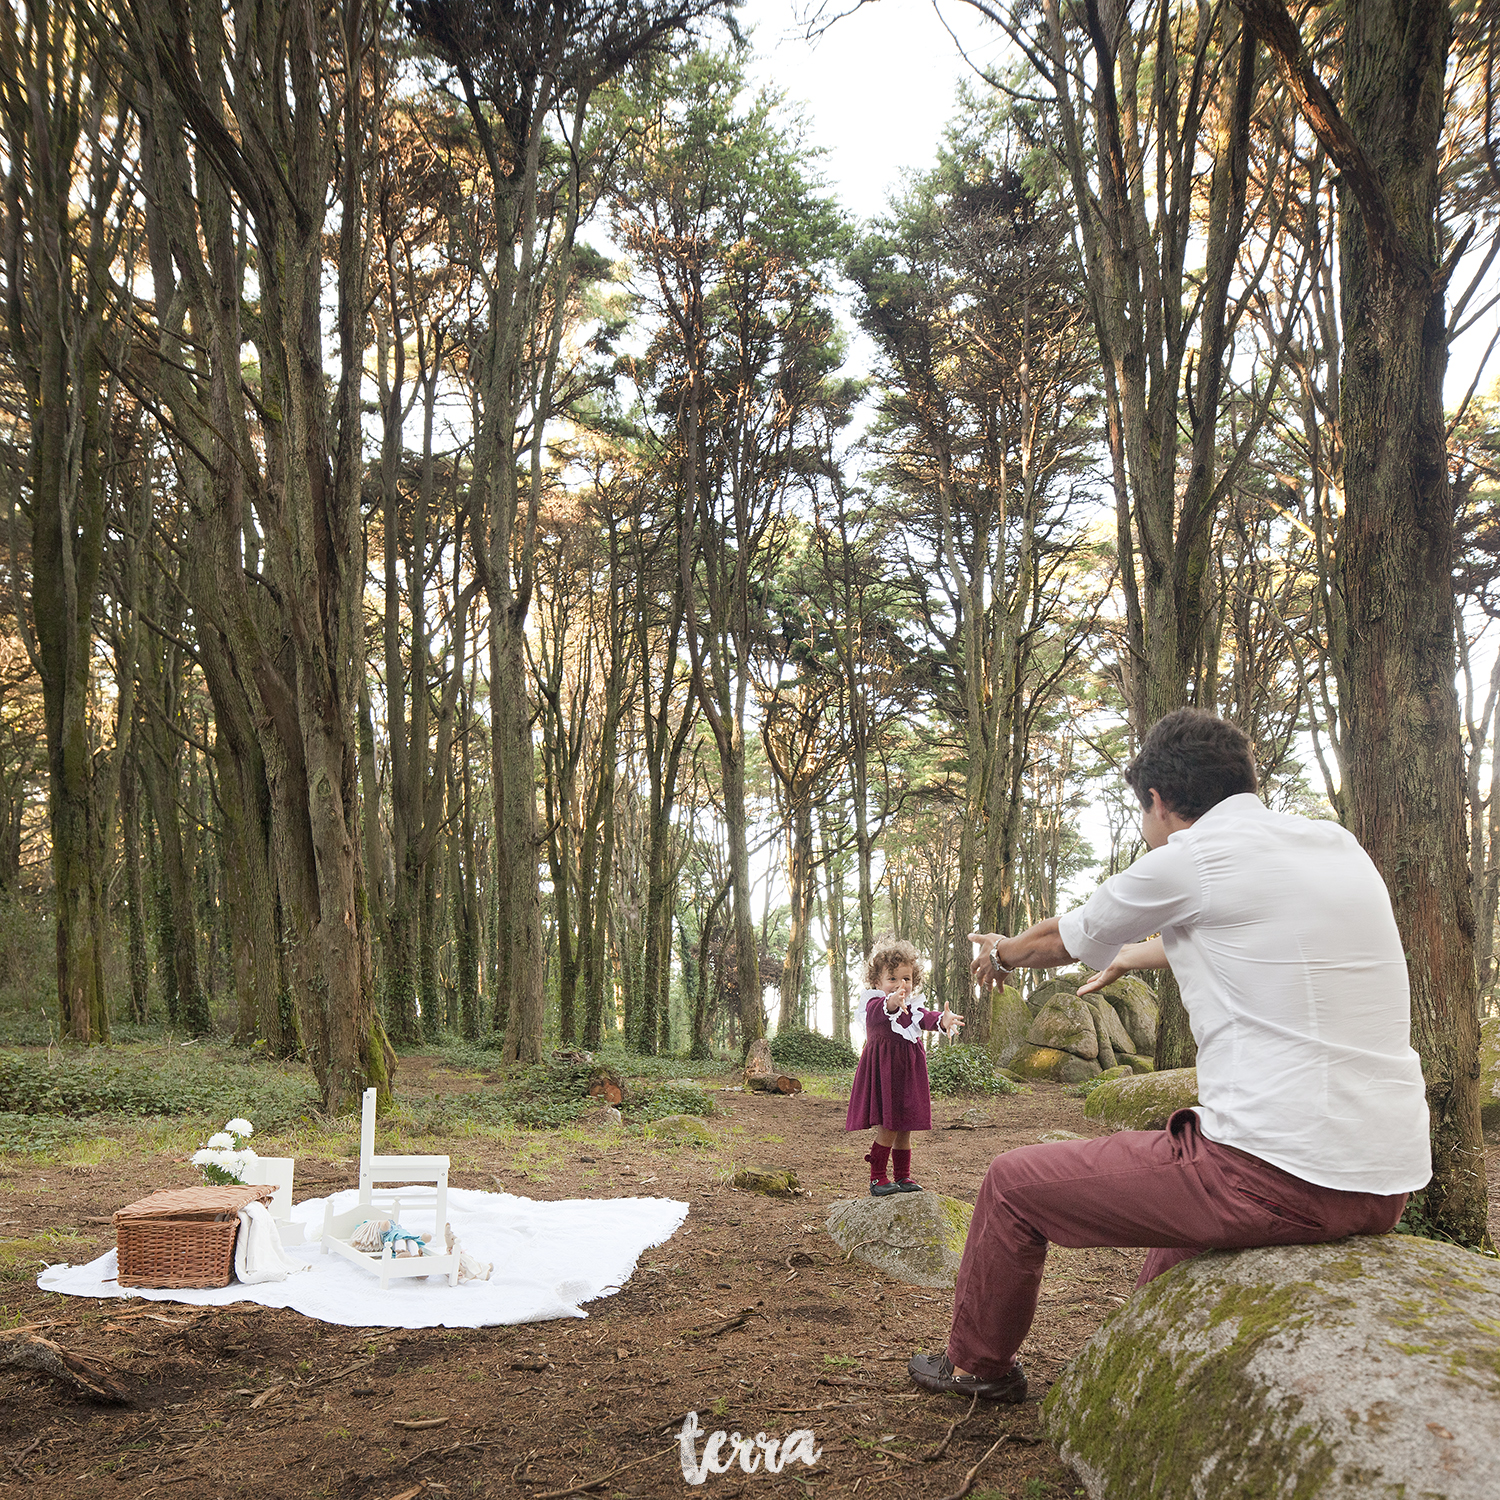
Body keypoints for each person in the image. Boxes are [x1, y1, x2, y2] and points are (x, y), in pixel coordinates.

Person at [909, 707, 1431, 1403]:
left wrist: (1000, 954)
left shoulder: (1190, 856)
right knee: (1179, 1201)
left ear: (1157, 801)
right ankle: (1141, 1365)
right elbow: (1253, 931)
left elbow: (1057, 940)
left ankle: (976, 1366)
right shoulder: (1333, 844)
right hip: (1383, 1183)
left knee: (1011, 1184)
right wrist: (1134, 956)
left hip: (1275, 1177)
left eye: (1141, 812)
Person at [846, 937, 965, 1196]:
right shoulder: (874, 1003)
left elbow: (926, 1018)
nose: (901, 986)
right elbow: (884, 1008)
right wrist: (892, 1001)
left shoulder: (912, 1006)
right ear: (876, 982)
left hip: (909, 1073)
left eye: (907, 979)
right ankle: (877, 1177)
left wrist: (943, 1021)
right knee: (889, 1125)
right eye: (893, 979)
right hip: (886, 1072)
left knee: (905, 1125)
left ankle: (903, 1176)